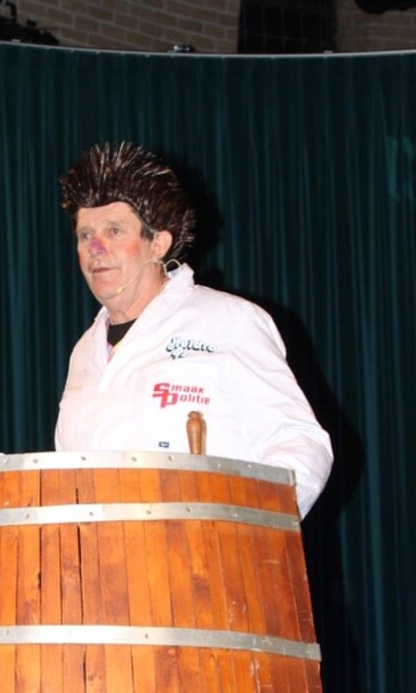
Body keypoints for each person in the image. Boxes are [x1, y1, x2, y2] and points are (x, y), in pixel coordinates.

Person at [54, 141, 333, 517]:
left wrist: (248, 532)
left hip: (211, 550)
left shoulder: (228, 322)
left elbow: (300, 445)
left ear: (158, 243)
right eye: (85, 235)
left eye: (115, 230)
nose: (96, 248)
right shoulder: (83, 353)